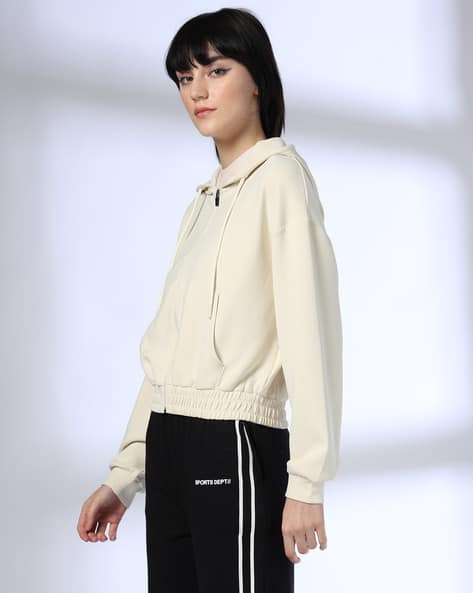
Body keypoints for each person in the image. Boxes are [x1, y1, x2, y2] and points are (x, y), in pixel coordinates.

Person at [77, 7, 343, 593]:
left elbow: (311, 333)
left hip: (235, 442)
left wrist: (307, 480)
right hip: (169, 444)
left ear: (258, 79)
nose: (197, 91)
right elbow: (169, 353)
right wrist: (126, 473)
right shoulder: (201, 205)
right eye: (184, 77)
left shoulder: (281, 180)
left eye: (216, 70)